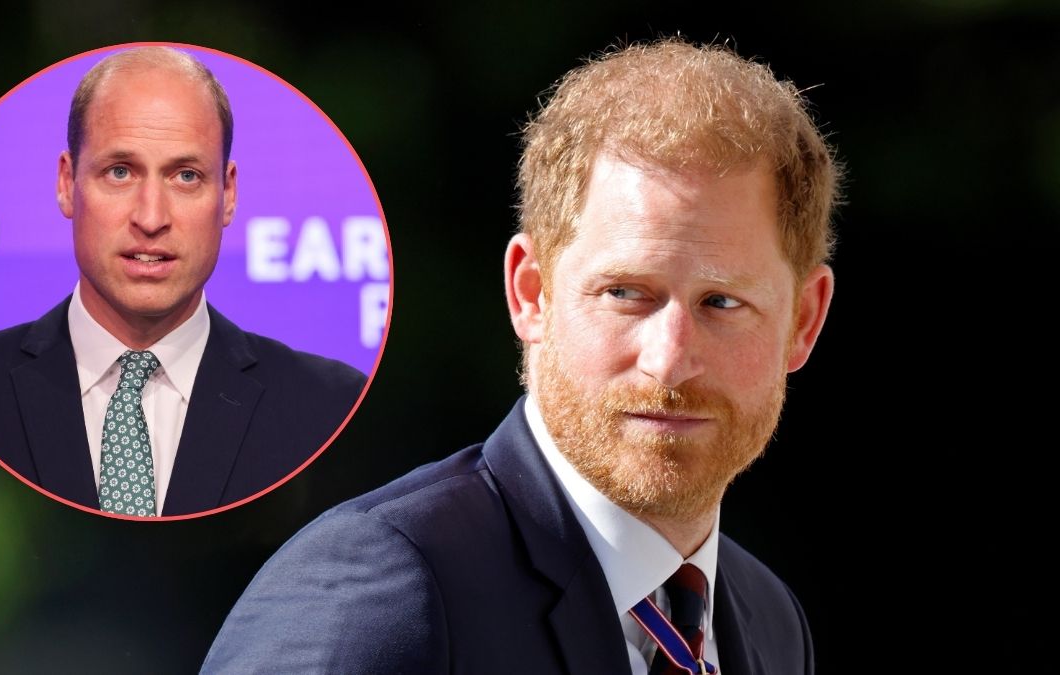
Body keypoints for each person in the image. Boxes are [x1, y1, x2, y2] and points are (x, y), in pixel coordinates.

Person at [202, 38, 837, 673]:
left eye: (721, 303)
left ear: (803, 321)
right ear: (531, 293)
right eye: (624, 293)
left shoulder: (769, 621)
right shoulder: (381, 593)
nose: (668, 362)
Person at [0, 47, 367, 518]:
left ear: (228, 194)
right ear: (66, 182)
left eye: (186, 176)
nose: (151, 217)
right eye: (120, 172)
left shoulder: (328, 406)